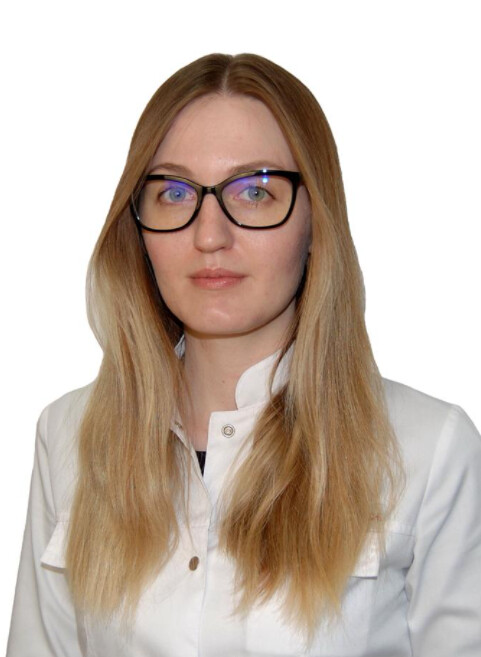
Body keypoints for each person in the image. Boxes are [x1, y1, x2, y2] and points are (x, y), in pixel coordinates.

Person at [6, 53, 481, 657]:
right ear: (138, 227)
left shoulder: (428, 451)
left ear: (316, 222)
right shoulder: (69, 437)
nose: (209, 235)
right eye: (174, 192)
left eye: (255, 191)